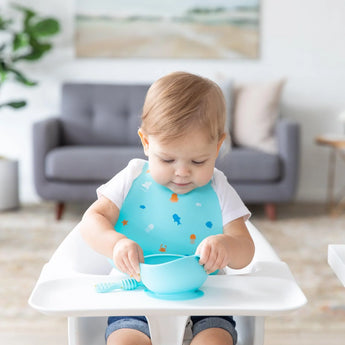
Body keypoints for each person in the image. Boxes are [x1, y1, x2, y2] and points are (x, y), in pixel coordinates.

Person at [79, 71, 255, 345]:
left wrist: (227, 246)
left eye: (198, 161)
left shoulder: (219, 187)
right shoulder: (133, 176)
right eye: (168, 159)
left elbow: (246, 250)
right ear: (147, 143)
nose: (182, 172)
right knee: (125, 340)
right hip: (135, 292)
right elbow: (92, 221)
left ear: (218, 146)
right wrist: (116, 243)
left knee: (216, 340)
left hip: (207, 296)